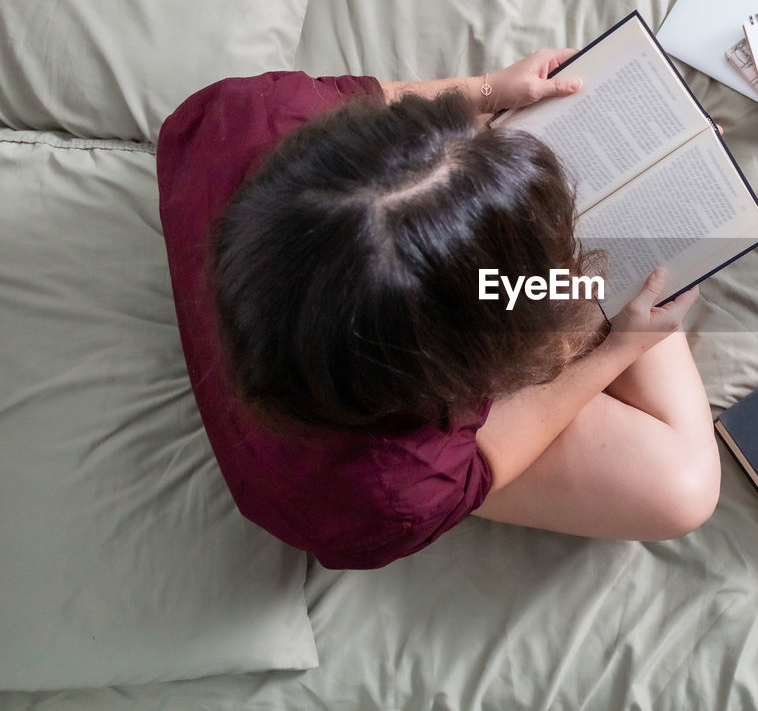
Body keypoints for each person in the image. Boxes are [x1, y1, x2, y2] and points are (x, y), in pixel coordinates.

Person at [157, 50, 721, 570]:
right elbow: (479, 461)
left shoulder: (243, 116)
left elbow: (383, 108)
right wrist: (619, 346)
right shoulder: (385, 493)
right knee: (683, 487)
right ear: (477, 376)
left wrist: (487, 91)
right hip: (369, 436)